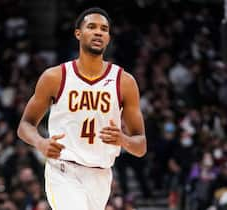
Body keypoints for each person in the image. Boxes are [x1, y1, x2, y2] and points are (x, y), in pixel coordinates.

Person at [17, 7, 147, 210]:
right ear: (78, 33)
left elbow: (140, 146)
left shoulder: (125, 82)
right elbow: (25, 125)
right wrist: (40, 143)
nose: (98, 32)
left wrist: (123, 139)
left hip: (101, 175)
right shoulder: (55, 77)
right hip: (63, 169)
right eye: (92, 27)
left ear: (108, 37)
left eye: (104, 29)